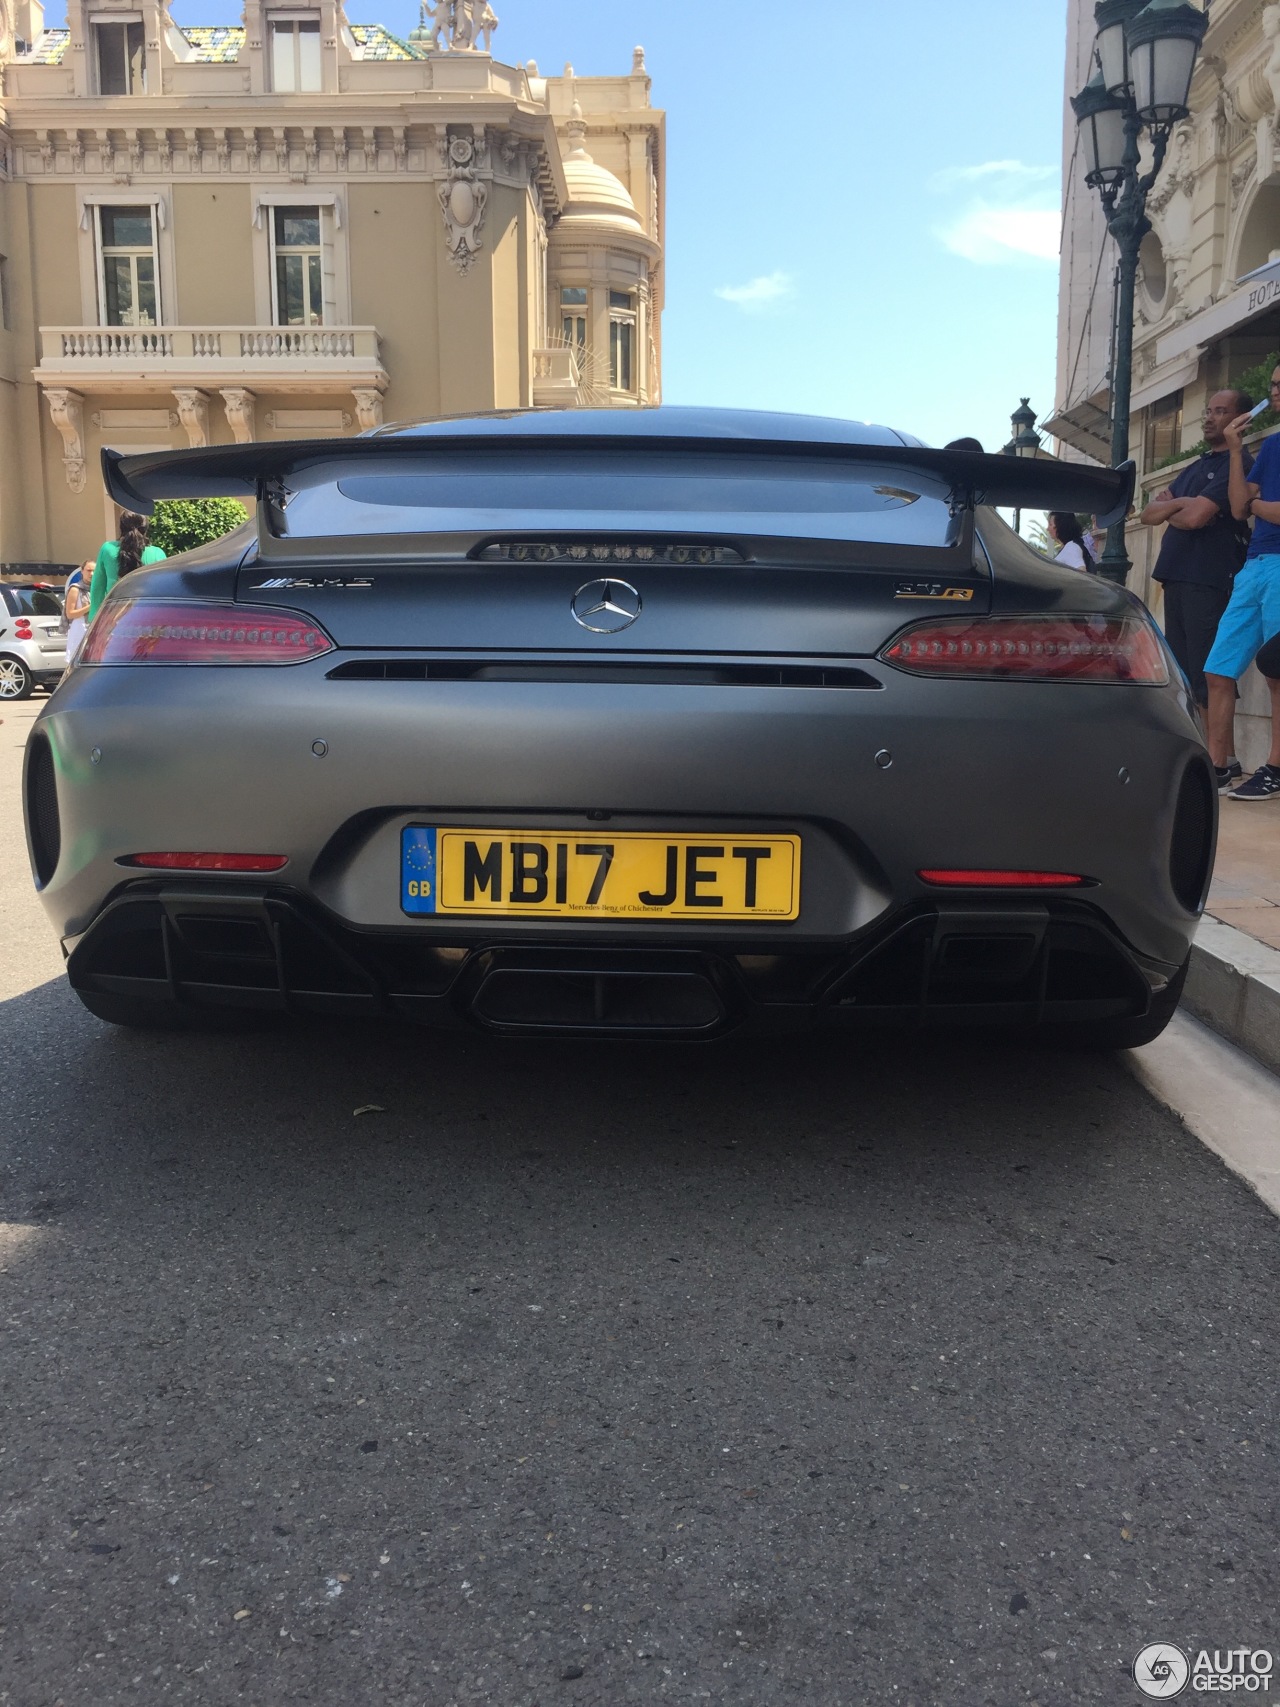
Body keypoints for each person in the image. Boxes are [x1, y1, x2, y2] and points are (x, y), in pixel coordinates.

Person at [1139, 388, 1254, 716]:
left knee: (1209, 676)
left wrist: (1170, 507)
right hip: (1176, 577)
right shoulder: (1196, 466)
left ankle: (1220, 759)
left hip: (1207, 579)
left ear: (1240, 419)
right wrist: (1179, 504)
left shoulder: (1239, 465)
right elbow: (1148, 514)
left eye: (1220, 411)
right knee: (1184, 677)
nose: (1209, 418)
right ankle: (1205, 752)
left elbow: (1195, 518)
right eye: (1208, 410)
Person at [1208, 376, 1280, 800]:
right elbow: (1238, 507)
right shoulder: (1270, 447)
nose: (1275, 389)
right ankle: (1217, 766)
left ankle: (1274, 766)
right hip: (1254, 565)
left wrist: (1256, 505)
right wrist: (1236, 450)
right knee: (1218, 667)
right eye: (1274, 383)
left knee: (1277, 671)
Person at [88, 511, 165, 622]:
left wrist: (94, 620)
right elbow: (162, 591)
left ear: (121, 527)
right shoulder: (158, 553)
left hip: (114, 620)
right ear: (146, 528)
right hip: (148, 619)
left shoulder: (107, 549)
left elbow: (98, 587)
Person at [62, 560, 93, 661]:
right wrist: (90, 607)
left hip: (94, 631)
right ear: (82, 571)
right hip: (80, 631)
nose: (91, 574)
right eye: (88, 570)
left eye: (94, 571)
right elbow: (70, 614)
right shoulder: (75, 589)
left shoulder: (98, 590)